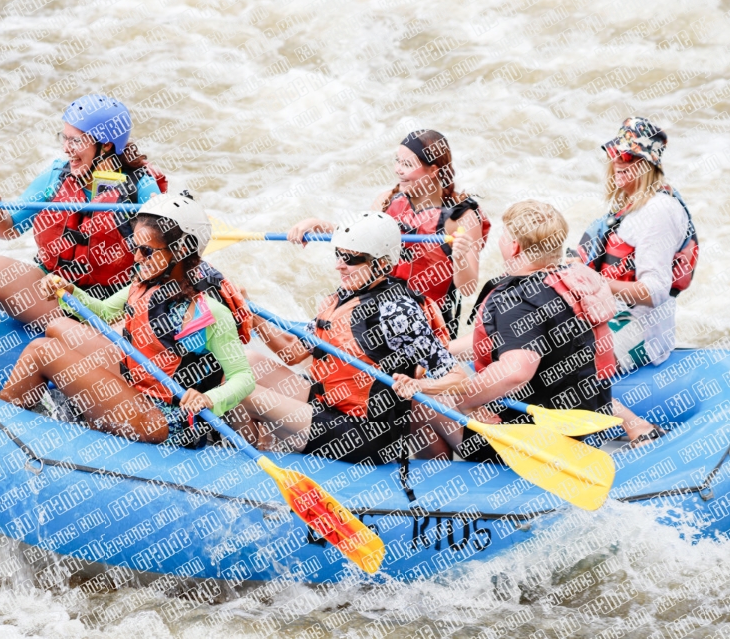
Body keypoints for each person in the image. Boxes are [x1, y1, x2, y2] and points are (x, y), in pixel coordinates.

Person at [403, 200, 664, 461]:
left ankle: (439, 482)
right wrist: (443, 351)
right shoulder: (572, 280)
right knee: (450, 377)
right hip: (577, 419)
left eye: (505, 234)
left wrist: (467, 401)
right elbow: (513, 337)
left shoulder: (513, 300)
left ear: (514, 245)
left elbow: (515, 372)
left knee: (420, 401)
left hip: (526, 439)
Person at [0, 195, 255, 448]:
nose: (136, 258)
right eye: (135, 248)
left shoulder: (208, 312)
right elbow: (105, 311)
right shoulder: (144, 283)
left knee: (41, 352)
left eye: (146, 251)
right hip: (136, 387)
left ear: (180, 251)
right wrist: (67, 292)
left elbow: (243, 377)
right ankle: (23, 412)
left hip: (166, 419)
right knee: (57, 330)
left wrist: (208, 399)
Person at [0, 94, 168, 378]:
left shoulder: (141, 190)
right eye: (64, 138)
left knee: (126, 347)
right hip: (52, 295)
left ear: (105, 145)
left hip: (107, 312)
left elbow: (165, 257)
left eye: (76, 140)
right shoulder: (56, 177)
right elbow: (9, 230)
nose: (67, 148)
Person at [234, 212, 468, 465]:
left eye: (351, 259)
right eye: (338, 255)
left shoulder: (397, 312)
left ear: (382, 263)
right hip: (329, 406)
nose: (339, 265)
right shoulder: (344, 296)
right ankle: (262, 450)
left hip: (365, 435)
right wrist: (250, 310)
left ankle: (252, 470)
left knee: (241, 393)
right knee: (245, 364)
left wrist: (420, 386)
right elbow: (292, 352)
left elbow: (459, 378)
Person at [287, 130, 489, 339]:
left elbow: (468, 288)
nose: (398, 170)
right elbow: (359, 239)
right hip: (377, 309)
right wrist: (317, 224)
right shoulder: (387, 200)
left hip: (426, 323)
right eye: (397, 161)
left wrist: (460, 257)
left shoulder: (461, 217)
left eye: (407, 165)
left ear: (433, 170)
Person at [572, 117, 698, 372]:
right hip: (607, 312)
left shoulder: (658, 210)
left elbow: (656, 291)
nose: (619, 160)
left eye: (629, 156)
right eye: (616, 152)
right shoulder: (630, 205)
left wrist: (592, 281)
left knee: (554, 368)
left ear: (649, 164)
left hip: (641, 332)